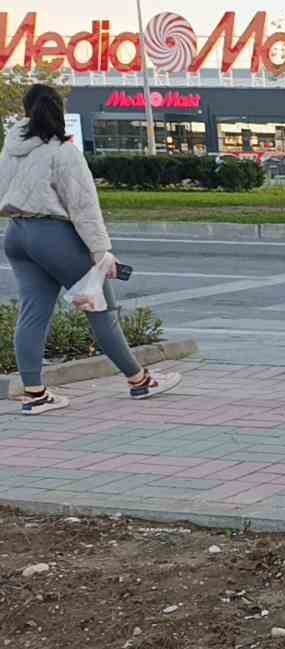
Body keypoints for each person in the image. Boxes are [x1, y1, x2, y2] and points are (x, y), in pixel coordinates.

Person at [1, 84, 180, 414]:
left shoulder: (11, 147)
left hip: (15, 234)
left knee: (33, 314)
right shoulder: (63, 152)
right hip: (52, 234)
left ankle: (35, 394)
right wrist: (101, 252)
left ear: (27, 111)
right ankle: (139, 381)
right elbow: (83, 207)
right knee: (102, 311)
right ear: (58, 110)